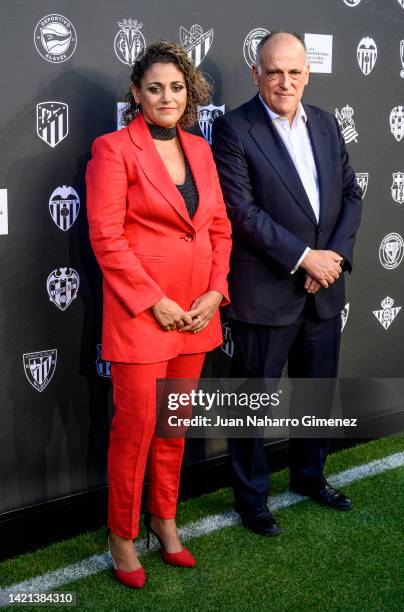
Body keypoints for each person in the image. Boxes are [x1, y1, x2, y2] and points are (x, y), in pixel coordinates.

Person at [86, 40, 231, 588]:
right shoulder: (114, 149)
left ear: (188, 91)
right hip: (144, 316)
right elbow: (106, 235)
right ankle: (121, 535)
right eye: (154, 88)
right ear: (136, 94)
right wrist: (155, 301)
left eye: (175, 87)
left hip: (196, 315)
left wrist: (215, 293)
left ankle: (163, 519)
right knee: (136, 429)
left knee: (174, 428)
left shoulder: (201, 149)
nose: (166, 97)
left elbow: (218, 227)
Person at [211, 32, 362, 537]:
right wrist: (305, 259)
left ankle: (309, 477)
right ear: (256, 73)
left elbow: (351, 193)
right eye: (274, 71)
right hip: (267, 292)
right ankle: (252, 499)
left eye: (295, 72)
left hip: (325, 288)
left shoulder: (325, 123)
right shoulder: (234, 128)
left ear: (308, 74)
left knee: (316, 395)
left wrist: (333, 258)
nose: (285, 81)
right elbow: (241, 211)